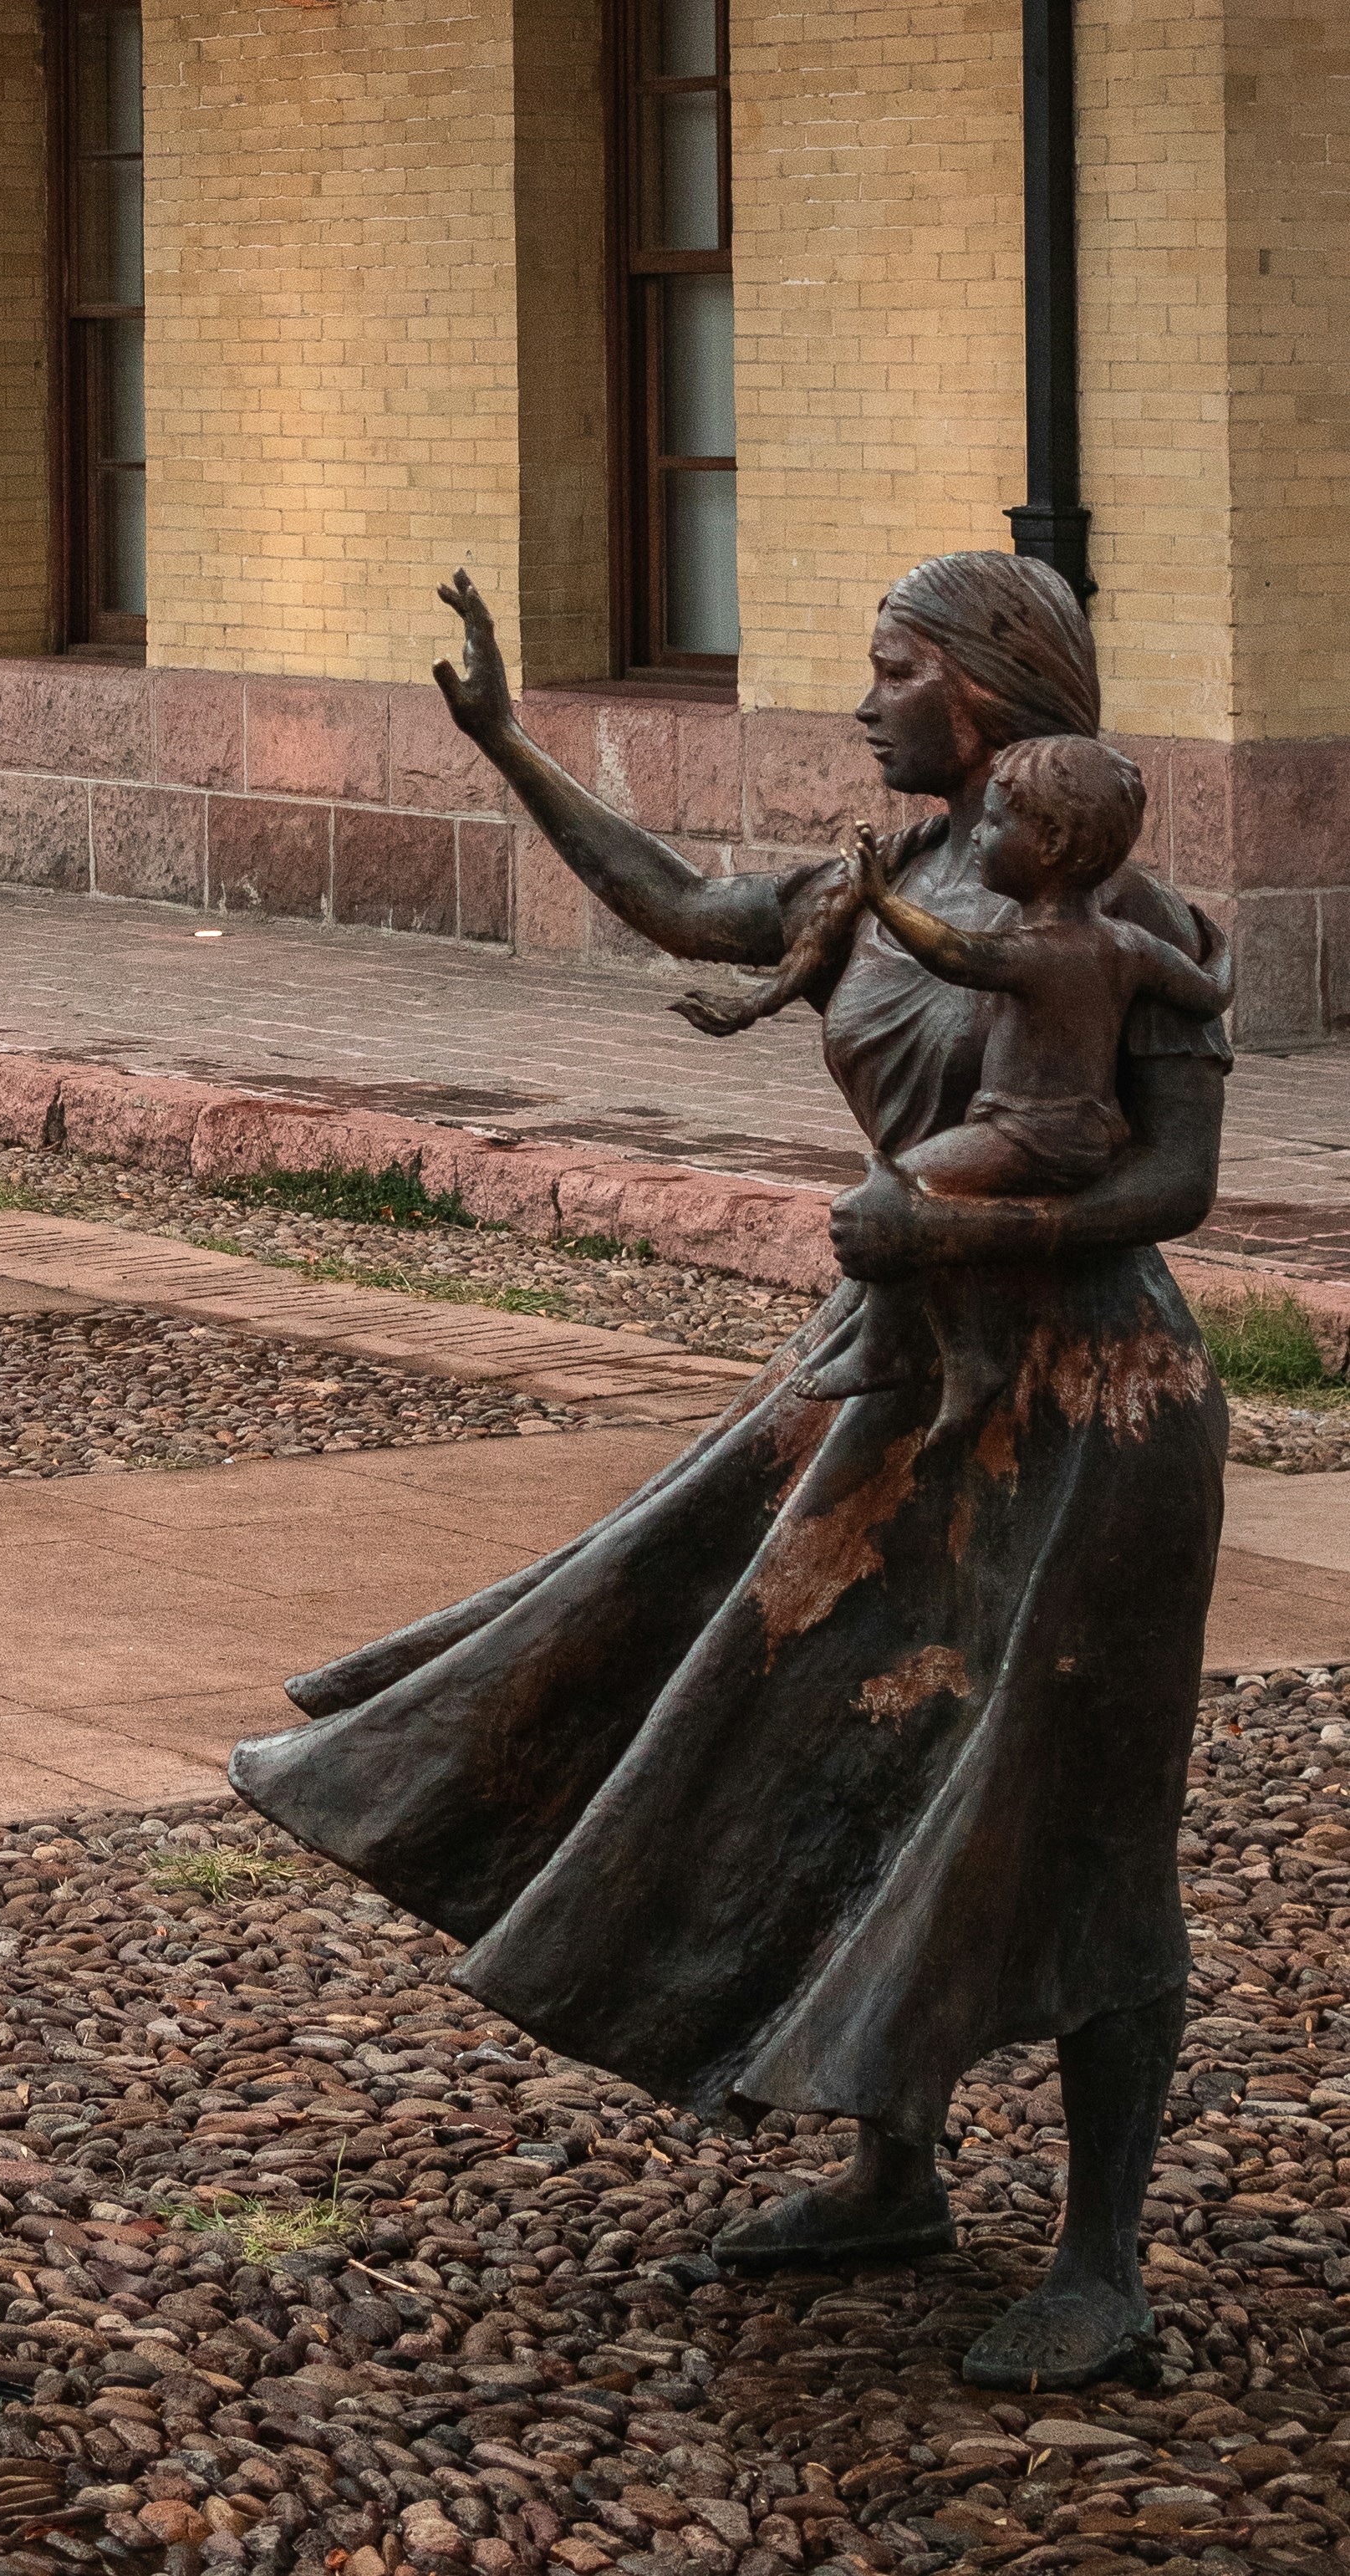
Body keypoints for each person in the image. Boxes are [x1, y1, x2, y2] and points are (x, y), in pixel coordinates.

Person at [230, 553, 1230, 2395]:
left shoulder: (1107, 908)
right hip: (898, 1376)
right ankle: (886, 2168)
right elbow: (686, 904)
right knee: (833, 1743)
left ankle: (1102, 2257)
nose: (858, 701)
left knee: (1076, 1817)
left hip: (1091, 1405)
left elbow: (1172, 1185)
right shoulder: (882, 887)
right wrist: (509, 744)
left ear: (989, 698)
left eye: (890, 669)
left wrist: (943, 1235)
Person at [811, 742, 1225, 1398]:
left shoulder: (1033, 952)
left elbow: (952, 951)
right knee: (911, 1202)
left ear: (1054, 841)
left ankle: (889, 1352)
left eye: (997, 822)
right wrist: (1219, 950)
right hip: (1086, 1133)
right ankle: (967, 1355)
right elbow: (1205, 992)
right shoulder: (1130, 944)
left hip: (1024, 1134)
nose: (977, 834)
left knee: (890, 1199)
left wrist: (882, 902)